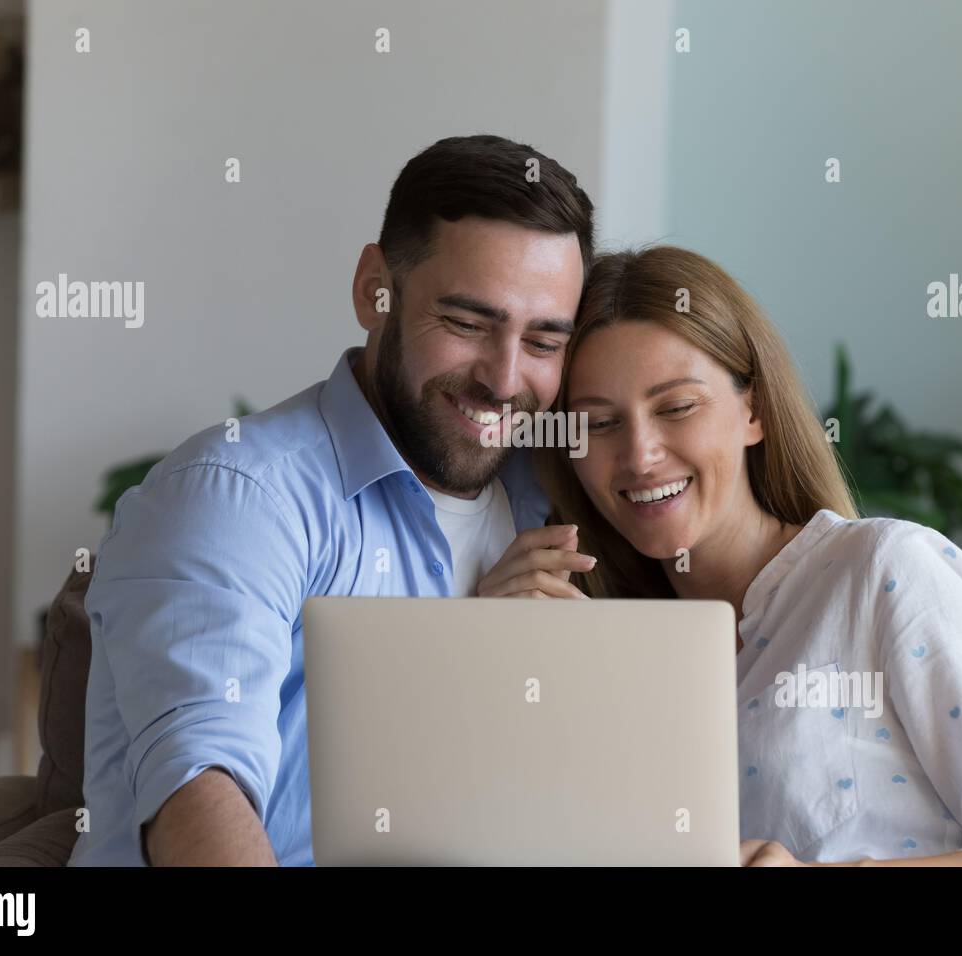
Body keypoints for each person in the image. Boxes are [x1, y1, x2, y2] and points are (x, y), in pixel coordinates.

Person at [70, 134, 595, 866]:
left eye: (543, 341)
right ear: (373, 288)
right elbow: (198, 780)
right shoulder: (240, 497)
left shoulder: (557, 493)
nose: (505, 381)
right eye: (468, 323)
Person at [536, 246, 962, 866]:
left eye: (677, 407)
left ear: (753, 409)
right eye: (598, 424)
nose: (640, 455)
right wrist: (497, 644)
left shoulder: (888, 570)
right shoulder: (613, 655)